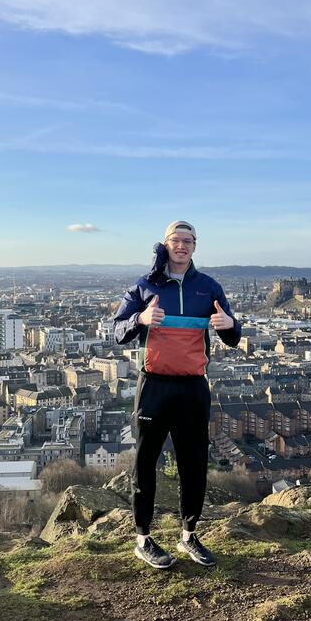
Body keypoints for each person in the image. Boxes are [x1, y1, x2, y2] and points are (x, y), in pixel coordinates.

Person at [113, 220, 242, 569]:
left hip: (193, 385)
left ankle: (189, 533)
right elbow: (117, 331)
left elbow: (232, 335)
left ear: (195, 247)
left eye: (188, 241)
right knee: (145, 461)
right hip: (154, 384)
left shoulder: (209, 287)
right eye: (176, 240)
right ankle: (143, 537)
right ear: (166, 244)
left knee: (194, 461)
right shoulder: (145, 286)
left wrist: (231, 326)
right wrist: (140, 318)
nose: (182, 246)